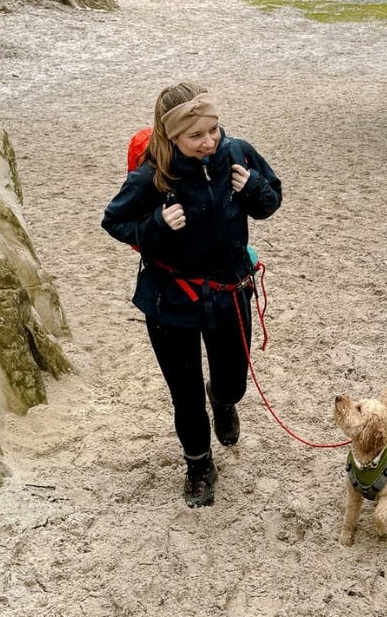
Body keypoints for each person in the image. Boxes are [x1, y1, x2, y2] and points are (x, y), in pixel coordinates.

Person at [102, 84, 282, 508]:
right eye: (196, 135)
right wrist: (156, 228)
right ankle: (199, 466)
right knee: (184, 392)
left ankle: (222, 398)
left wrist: (254, 185)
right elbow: (114, 221)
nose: (209, 142)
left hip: (229, 291)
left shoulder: (239, 154)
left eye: (214, 129)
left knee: (233, 382)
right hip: (171, 300)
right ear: (171, 137)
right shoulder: (152, 176)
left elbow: (271, 202)